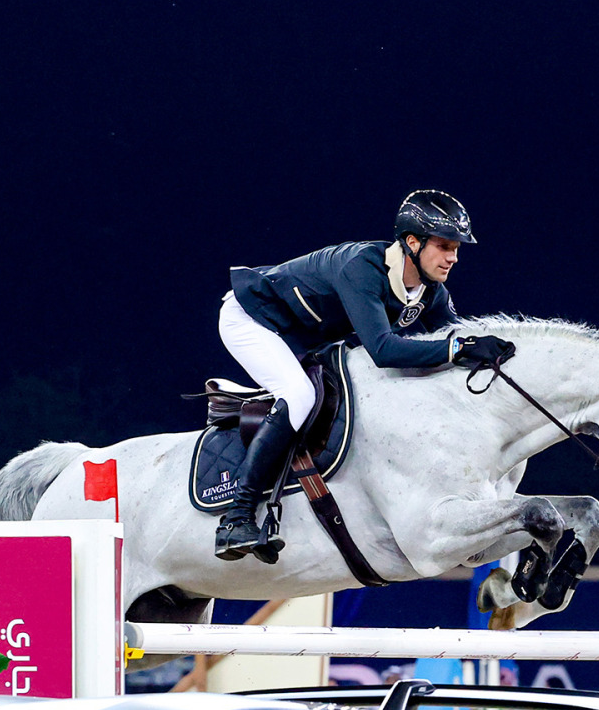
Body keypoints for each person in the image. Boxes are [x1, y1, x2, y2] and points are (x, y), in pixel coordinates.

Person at [212, 190, 517, 562]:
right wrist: (458, 349)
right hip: (252, 319)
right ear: (412, 242)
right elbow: (384, 351)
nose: (453, 257)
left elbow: (454, 338)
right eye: (444, 246)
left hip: (299, 336)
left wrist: (485, 348)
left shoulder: (429, 291)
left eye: (456, 248)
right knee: (298, 394)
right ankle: (236, 517)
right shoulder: (361, 268)